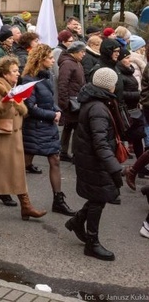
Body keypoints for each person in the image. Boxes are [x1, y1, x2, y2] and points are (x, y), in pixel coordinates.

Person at [0, 55, 47, 219]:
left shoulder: (13, 86)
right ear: (5, 73)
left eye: (18, 70)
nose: (18, 73)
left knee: (18, 173)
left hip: (13, 136)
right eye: (14, 71)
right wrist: (5, 102)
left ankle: (26, 206)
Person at [66, 68, 123, 261]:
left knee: (98, 196)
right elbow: (101, 143)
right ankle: (92, 243)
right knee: (99, 198)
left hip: (90, 158)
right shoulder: (98, 107)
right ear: (109, 85)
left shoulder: (95, 100)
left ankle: (76, 221)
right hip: (94, 160)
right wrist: (115, 168)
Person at [22, 45, 75, 216]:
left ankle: (58, 200)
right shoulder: (28, 80)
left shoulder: (46, 77)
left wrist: (56, 110)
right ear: (41, 59)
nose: (53, 60)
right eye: (50, 57)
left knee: (55, 160)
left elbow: (48, 100)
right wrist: (52, 114)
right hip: (34, 127)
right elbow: (30, 108)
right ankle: (11, 193)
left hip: (47, 126)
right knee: (24, 164)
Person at [57, 41, 86, 161]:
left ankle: (63, 151)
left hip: (74, 100)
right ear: (74, 52)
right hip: (71, 102)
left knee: (69, 127)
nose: (84, 54)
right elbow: (62, 83)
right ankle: (74, 154)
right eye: (82, 52)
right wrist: (64, 102)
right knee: (76, 127)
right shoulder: (68, 64)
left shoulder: (76, 62)